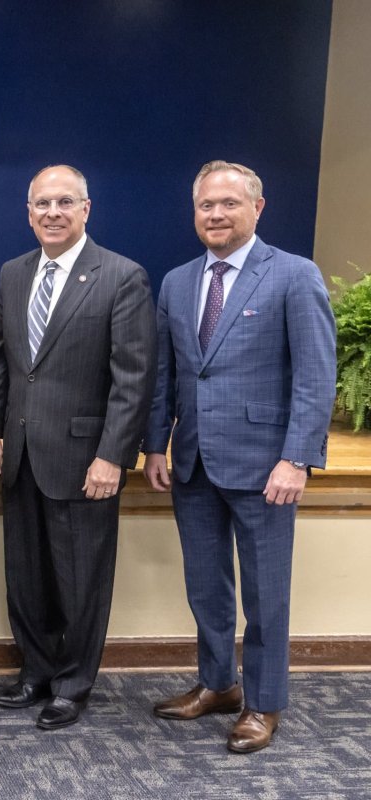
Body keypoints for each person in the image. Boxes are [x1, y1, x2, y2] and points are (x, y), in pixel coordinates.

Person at [143, 161, 336, 753]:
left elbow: (316, 373)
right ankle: (218, 685)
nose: (216, 214)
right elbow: (166, 375)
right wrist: (156, 443)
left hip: (266, 467)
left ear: (258, 207)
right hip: (194, 463)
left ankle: (263, 704)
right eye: (206, 205)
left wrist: (297, 457)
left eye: (229, 203)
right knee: (206, 587)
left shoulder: (294, 275)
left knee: (265, 594)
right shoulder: (178, 282)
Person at [0, 165, 156, 730]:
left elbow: (134, 377)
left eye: (64, 203)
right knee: (25, 573)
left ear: (86, 209)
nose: (52, 213)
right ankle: (35, 671)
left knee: (81, 580)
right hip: (20, 453)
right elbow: (2, 364)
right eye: (41, 204)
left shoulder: (122, 277)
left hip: (85, 460)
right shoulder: (12, 273)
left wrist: (113, 455)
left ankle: (72, 684)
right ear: (28, 212)